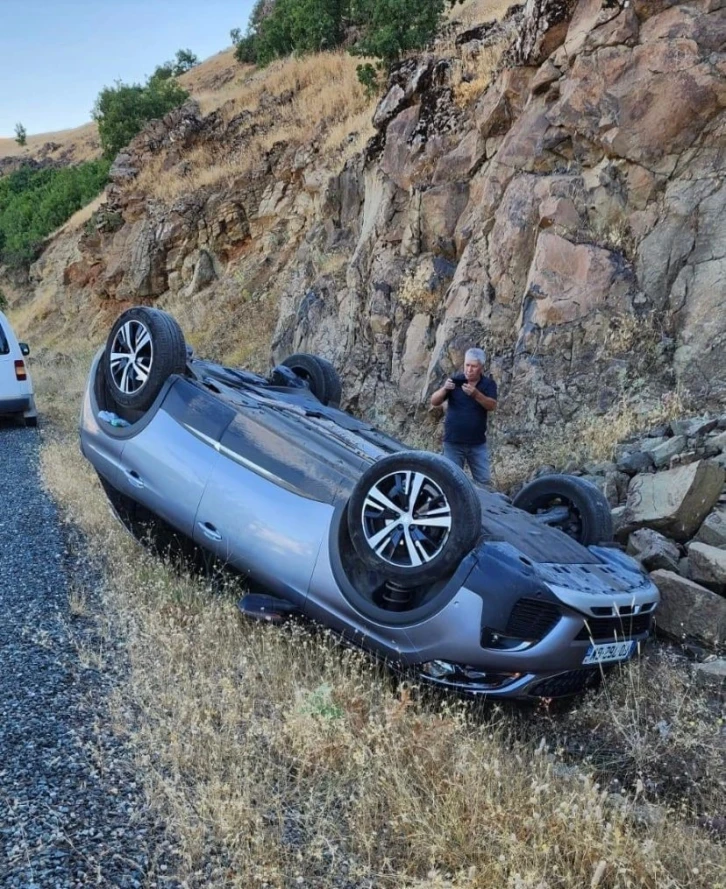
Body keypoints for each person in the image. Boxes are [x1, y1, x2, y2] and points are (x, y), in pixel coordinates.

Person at [430, 347, 498, 487]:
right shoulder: (455, 381)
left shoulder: (488, 384)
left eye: (473, 366)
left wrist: (476, 394)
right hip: (453, 442)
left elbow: (491, 405)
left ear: (481, 367)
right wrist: (444, 389)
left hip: (477, 444)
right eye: (467, 365)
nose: (469, 369)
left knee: (484, 482)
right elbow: (434, 401)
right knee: (451, 480)